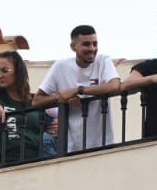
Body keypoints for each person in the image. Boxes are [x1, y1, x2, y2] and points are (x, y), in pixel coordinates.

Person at [35, 25, 122, 153]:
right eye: (86, 44)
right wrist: (63, 98)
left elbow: (114, 85)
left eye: (95, 44)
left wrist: (79, 90)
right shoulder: (60, 66)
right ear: (73, 46)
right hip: (72, 148)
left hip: (104, 144)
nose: (92, 48)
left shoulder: (103, 60)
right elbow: (37, 100)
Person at [0, 51, 49, 166]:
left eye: (5, 70)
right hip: (9, 162)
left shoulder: (35, 100)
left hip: (41, 160)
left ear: (18, 72)